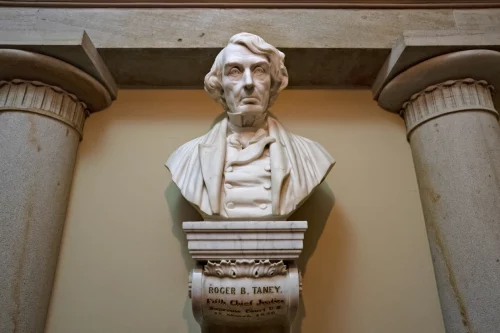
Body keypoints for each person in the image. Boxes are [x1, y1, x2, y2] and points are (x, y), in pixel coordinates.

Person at [166, 32, 335, 220]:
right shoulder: (186, 157)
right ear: (220, 85)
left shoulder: (311, 156)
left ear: (273, 83)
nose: (248, 83)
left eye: (259, 70)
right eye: (235, 71)